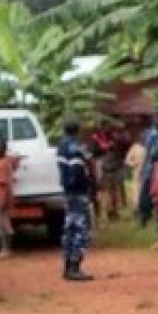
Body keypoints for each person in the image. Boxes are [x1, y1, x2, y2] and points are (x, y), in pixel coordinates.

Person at [57, 120, 95, 281]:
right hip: (77, 193)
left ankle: (67, 266)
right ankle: (74, 267)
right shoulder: (75, 148)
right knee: (80, 230)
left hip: (67, 192)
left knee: (69, 229)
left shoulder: (61, 146)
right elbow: (77, 170)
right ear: (78, 130)